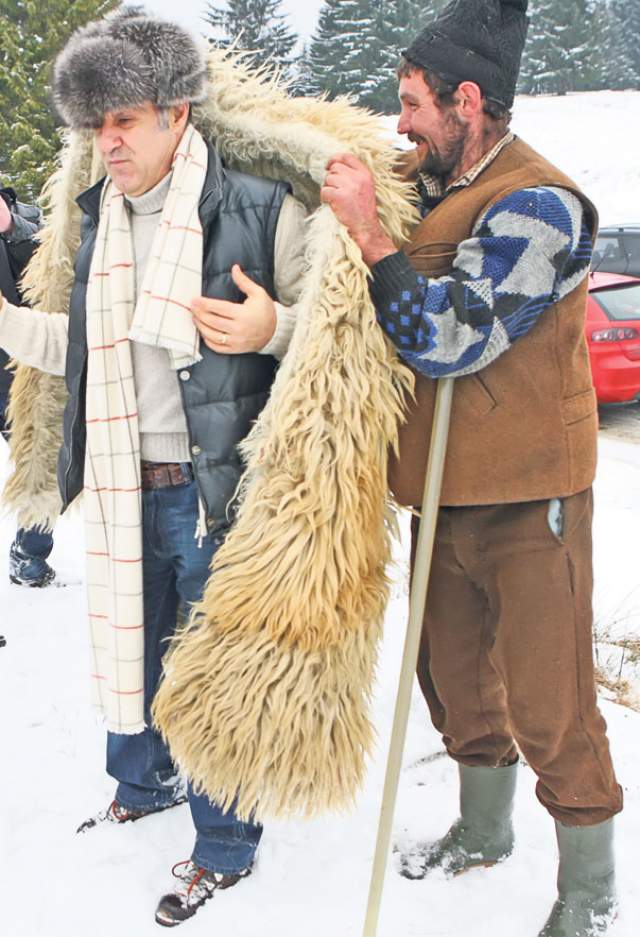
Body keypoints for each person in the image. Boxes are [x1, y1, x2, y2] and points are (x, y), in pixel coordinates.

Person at [0, 8, 307, 927]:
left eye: (125, 119)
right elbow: (87, 349)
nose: (108, 140)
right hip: (122, 481)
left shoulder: (258, 206)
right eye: (96, 123)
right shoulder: (100, 220)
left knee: (214, 677)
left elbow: (338, 345)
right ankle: (142, 785)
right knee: (130, 643)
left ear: (177, 113)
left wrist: (273, 327)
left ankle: (226, 845)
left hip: (215, 493)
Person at [320, 1, 622, 935]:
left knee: (551, 701)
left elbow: (454, 337)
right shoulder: (436, 181)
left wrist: (375, 239)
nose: (400, 122)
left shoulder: (540, 204)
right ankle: (484, 830)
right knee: (453, 680)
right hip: (442, 493)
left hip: (531, 498)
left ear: (467, 100)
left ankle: (588, 893)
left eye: (412, 103)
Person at [0, 187, 56, 588]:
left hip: (15, 374)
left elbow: (53, 273)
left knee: (40, 464)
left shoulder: (26, 218)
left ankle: (30, 552)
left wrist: (10, 228)